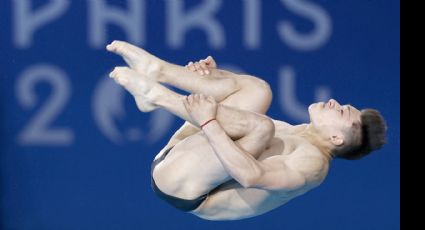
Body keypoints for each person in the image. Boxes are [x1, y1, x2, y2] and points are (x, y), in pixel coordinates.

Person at [106, 41, 387, 221]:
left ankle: (159, 97)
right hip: (179, 154)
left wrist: (207, 121)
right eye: (342, 105)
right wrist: (213, 78)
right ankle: (159, 72)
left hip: (184, 188)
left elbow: (251, 176)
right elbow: (235, 118)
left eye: (341, 112)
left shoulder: (313, 165)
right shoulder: (298, 131)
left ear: (336, 139)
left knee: (260, 126)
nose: (335, 103)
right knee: (258, 90)